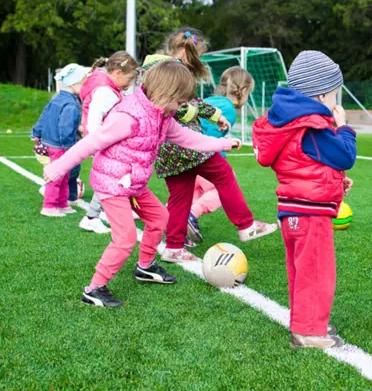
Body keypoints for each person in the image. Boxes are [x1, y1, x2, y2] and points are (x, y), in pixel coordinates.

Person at [43, 61, 241, 307]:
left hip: (133, 184)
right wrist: (58, 168)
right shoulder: (128, 117)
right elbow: (91, 143)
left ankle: (145, 266)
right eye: (180, 102)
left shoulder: (163, 115)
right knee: (125, 238)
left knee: (160, 217)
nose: (183, 107)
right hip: (112, 185)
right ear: (166, 94)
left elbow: (186, 138)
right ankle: (94, 289)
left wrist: (221, 144)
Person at [138, 28, 277, 263]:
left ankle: (173, 247)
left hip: (167, 149)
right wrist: (200, 117)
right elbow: (176, 106)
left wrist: (215, 116)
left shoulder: (155, 68)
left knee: (180, 196)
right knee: (223, 175)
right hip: (184, 143)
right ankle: (246, 225)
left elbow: (191, 101)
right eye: (195, 57)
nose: (196, 63)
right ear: (183, 52)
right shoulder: (167, 71)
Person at [252, 51, 357, 348]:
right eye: (335, 95)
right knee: (316, 272)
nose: (336, 102)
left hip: (293, 209)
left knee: (301, 271)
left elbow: (305, 163)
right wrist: (344, 127)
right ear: (321, 94)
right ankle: (309, 332)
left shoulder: (290, 122)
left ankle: (306, 321)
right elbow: (345, 154)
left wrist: (335, 182)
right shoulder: (311, 125)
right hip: (310, 214)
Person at [187, 66, 254, 243]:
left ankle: (172, 219)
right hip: (202, 156)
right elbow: (209, 136)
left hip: (186, 153)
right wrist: (224, 145)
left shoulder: (211, 100)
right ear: (244, 91)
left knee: (192, 193)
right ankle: (191, 215)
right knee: (220, 190)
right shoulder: (229, 111)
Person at [78, 51, 138, 234]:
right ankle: (91, 217)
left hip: (106, 141)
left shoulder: (109, 88)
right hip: (104, 142)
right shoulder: (105, 91)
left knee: (122, 174)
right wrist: (100, 142)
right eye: (129, 79)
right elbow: (94, 119)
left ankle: (122, 208)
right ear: (118, 74)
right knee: (111, 177)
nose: (130, 84)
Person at [31, 63, 88, 217]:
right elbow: (66, 127)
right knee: (58, 176)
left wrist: (36, 132)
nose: (85, 87)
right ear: (75, 84)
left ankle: (62, 203)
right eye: (84, 83)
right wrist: (70, 147)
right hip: (61, 145)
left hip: (52, 142)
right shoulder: (71, 104)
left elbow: (44, 115)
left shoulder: (57, 98)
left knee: (64, 175)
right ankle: (49, 206)